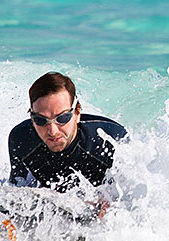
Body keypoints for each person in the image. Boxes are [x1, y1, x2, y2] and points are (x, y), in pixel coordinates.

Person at [7, 71, 127, 211]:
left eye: (62, 118)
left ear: (77, 113)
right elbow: (13, 195)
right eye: (40, 120)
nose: (52, 131)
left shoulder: (110, 139)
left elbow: (138, 197)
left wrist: (113, 202)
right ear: (32, 118)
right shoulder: (21, 139)